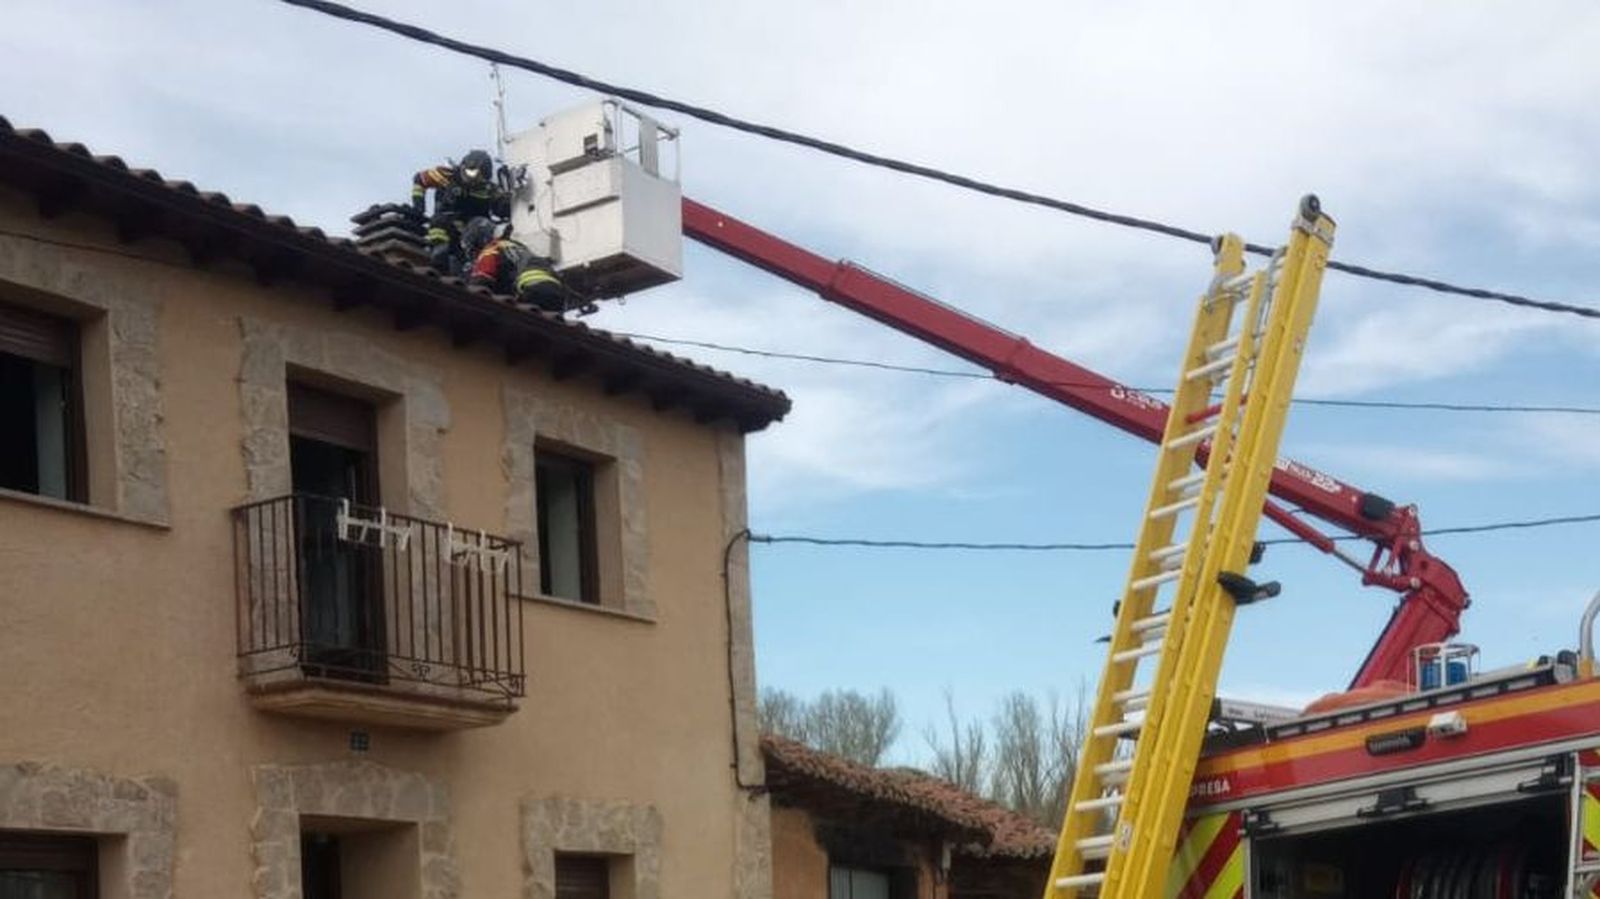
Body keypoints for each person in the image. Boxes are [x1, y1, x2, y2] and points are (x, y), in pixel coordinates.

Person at [410, 149, 509, 273]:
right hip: (446, 224)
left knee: (486, 228)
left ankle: (477, 266)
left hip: (474, 230)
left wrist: (507, 200)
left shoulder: (489, 189)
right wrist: (418, 208)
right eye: (472, 172)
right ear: (463, 166)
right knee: (439, 222)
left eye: (480, 177)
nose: (474, 179)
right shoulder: (447, 176)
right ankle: (438, 258)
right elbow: (420, 179)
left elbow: (503, 210)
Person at [460, 218, 567, 314]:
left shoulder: (491, 248)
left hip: (530, 292)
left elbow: (482, 279)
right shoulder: (517, 246)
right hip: (557, 296)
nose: (475, 255)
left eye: (473, 250)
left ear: (478, 240)